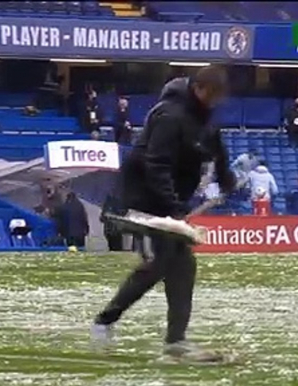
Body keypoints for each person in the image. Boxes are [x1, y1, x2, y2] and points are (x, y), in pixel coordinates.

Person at [91, 66, 236, 363]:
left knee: (180, 262)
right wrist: (174, 208)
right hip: (143, 198)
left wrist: (225, 175)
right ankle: (106, 322)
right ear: (198, 88)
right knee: (167, 260)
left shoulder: (202, 118)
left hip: (167, 201)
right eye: (212, 95)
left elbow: (214, 147)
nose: (215, 102)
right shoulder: (169, 116)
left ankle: (173, 340)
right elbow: (156, 165)